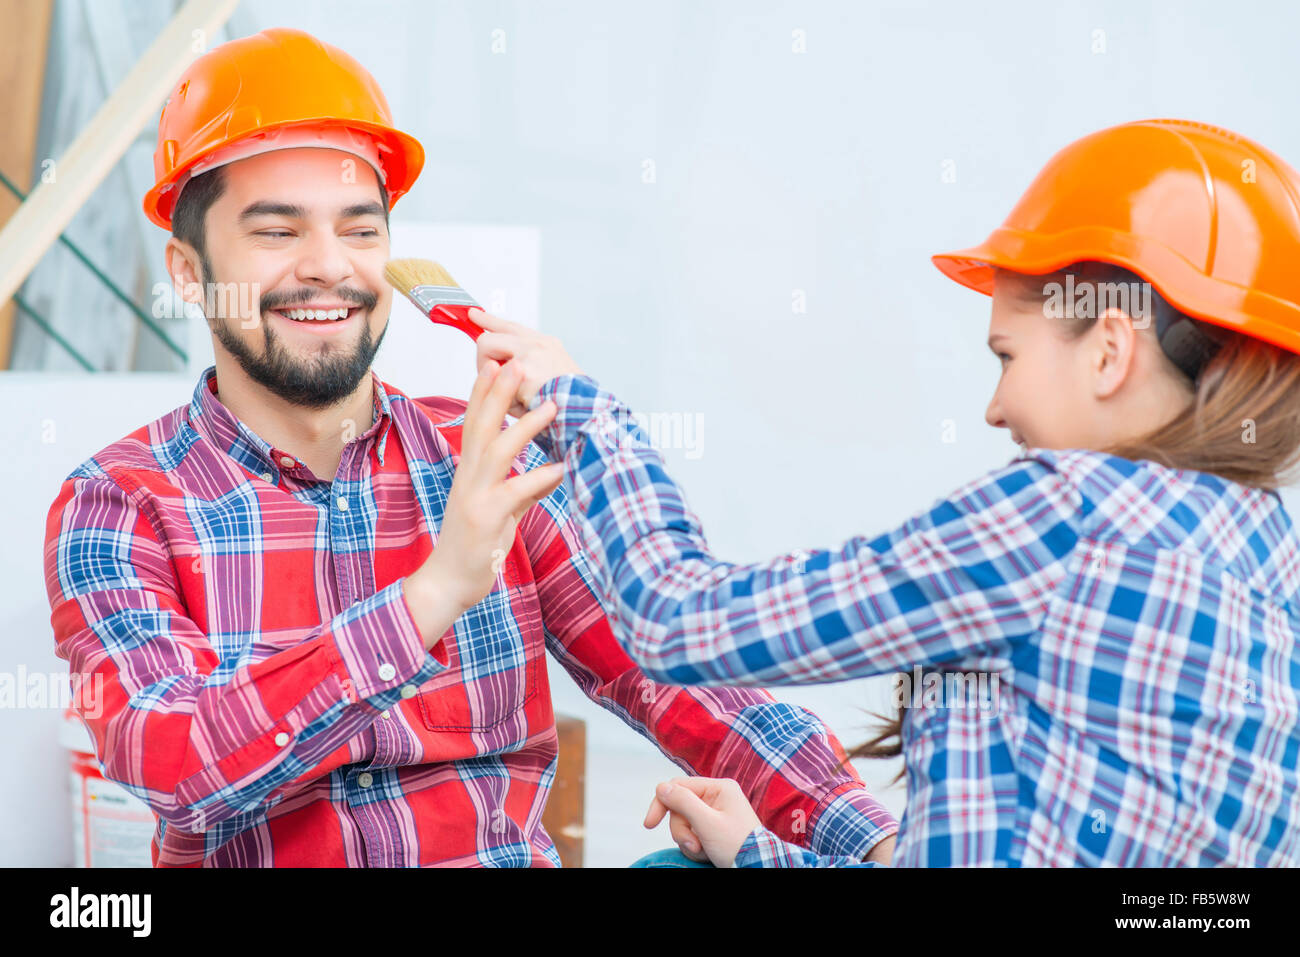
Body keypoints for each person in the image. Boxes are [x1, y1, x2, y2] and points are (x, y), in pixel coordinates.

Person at [42, 27, 898, 867]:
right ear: (188, 271)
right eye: (276, 232)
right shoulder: (118, 502)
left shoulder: (484, 450)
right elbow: (172, 758)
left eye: (361, 228)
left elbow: (678, 677)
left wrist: (889, 843)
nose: (329, 266)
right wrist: (433, 594)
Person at [464, 118, 1300, 866]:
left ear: (1110, 350)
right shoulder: (1271, 553)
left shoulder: (1061, 519)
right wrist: (765, 851)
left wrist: (579, 405)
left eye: (1007, 355)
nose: (996, 406)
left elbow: (672, 614)